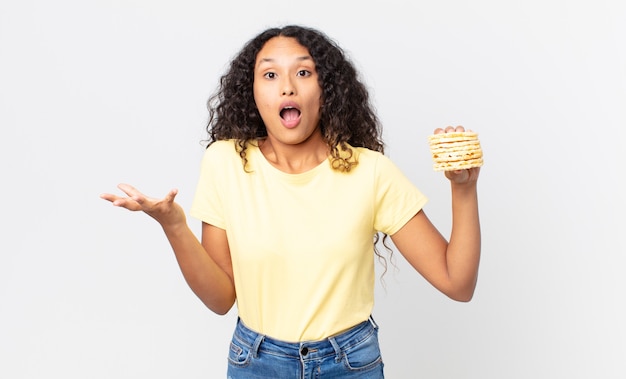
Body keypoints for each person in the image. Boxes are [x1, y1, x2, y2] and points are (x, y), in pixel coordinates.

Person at [101, 24, 481, 378]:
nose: (287, 87)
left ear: (326, 88)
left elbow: (457, 283)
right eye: (270, 74)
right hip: (256, 362)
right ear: (251, 91)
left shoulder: (371, 172)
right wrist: (174, 225)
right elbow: (220, 299)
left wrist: (463, 189)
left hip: (349, 363)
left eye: (303, 73)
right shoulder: (225, 161)